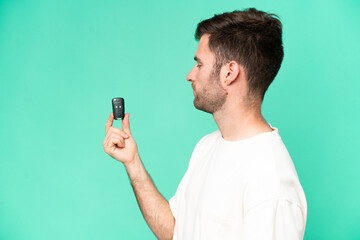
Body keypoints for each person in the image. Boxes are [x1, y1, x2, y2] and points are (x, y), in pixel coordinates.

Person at [103, 7, 307, 240]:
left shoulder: (270, 182)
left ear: (229, 73)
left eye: (199, 64)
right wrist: (132, 162)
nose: (190, 75)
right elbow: (174, 230)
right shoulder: (207, 145)